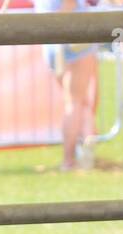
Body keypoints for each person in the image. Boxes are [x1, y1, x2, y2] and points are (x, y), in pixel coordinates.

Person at [37, 0, 99, 171]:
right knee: (75, 102)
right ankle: (69, 160)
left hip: (51, 39)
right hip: (73, 36)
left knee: (77, 101)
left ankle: (86, 150)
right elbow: (69, 3)